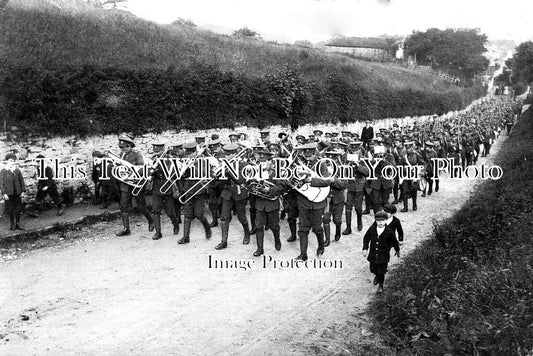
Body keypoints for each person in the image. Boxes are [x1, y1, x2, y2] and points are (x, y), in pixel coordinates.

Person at [114, 134, 154, 236]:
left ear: (129, 146)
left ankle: (151, 220)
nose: (123, 149)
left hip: (136, 184)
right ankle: (126, 229)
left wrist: (130, 175)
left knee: (141, 207)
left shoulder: (137, 154)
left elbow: (141, 168)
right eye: (121, 147)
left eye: (124, 147)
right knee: (123, 206)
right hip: (125, 185)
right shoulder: (122, 155)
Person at [362, 211, 400, 294]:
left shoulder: (389, 232)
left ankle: (381, 286)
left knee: (381, 271)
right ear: (375, 221)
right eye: (378, 221)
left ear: (386, 220)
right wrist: (365, 249)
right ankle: (377, 276)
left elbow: (394, 242)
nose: (380, 223)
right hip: (373, 254)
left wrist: (397, 250)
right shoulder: (372, 229)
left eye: (382, 221)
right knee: (373, 269)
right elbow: (366, 238)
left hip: (383, 256)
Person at [149, 142, 180, 240]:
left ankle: (175, 224)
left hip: (167, 187)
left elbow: (174, 172)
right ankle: (158, 233)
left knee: (169, 211)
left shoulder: (169, 159)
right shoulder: (152, 160)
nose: (156, 153)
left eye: (159, 151)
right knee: (155, 211)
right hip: (157, 187)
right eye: (155, 151)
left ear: (163, 150)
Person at [0, 153, 26, 230]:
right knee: (10, 209)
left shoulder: (17, 170)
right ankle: (12, 223)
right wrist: (4, 193)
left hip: (17, 193)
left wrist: (22, 191)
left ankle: (18, 223)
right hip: (8, 194)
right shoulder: (4, 171)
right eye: (10, 161)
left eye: (13, 161)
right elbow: (1, 183)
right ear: (7, 161)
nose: (12, 162)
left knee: (18, 208)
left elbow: (22, 181)